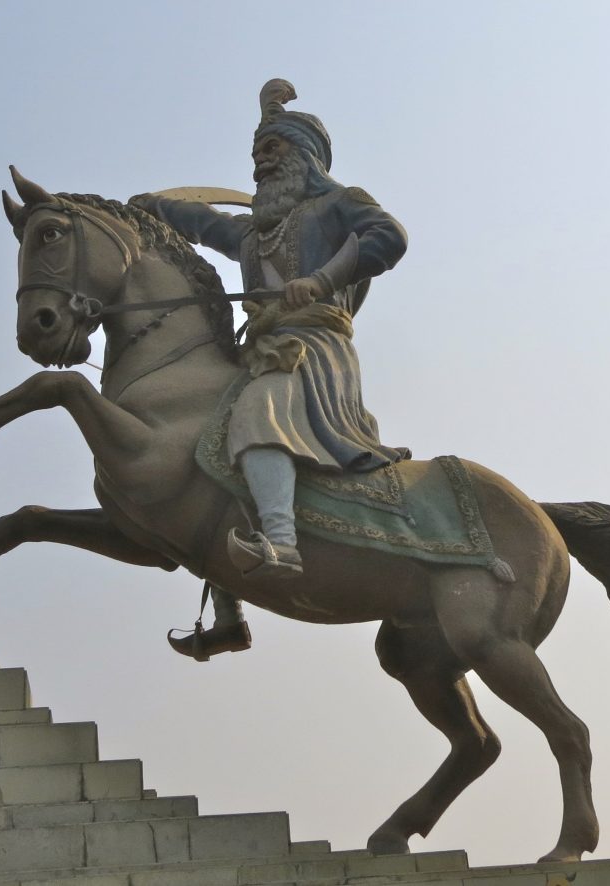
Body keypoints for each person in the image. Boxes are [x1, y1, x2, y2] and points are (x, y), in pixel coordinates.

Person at [134, 79, 408, 659]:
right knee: (198, 452)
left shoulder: (339, 204)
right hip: (261, 350)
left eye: (272, 151)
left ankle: (282, 543)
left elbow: (390, 237)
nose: (259, 165)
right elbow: (202, 222)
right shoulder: (252, 236)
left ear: (303, 158)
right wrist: (149, 207)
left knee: (259, 410)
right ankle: (229, 612)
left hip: (315, 347)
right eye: (256, 155)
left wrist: (323, 280)